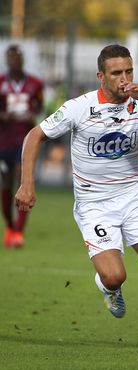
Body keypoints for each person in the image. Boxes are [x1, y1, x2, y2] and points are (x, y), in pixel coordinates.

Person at [15, 44, 138, 353]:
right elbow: (34, 135)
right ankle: (108, 287)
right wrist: (27, 184)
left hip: (133, 195)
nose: (124, 78)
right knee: (114, 275)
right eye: (116, 73)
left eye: (129, 71)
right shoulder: (79, 107)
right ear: (101, 76)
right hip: (94, 205)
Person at [0, 45, 44, 248]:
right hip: (4, 141)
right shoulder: (1, 82)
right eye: (11, 58)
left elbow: (41, 107)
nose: (14, 61)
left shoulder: (35, 84)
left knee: (22, 179)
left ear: (22, 60)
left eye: (18, 57)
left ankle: (18, 231)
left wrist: (32, 116)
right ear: (7, 60)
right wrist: (3, 116)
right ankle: (10, 226)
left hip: (25, 139)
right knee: (6, 184)